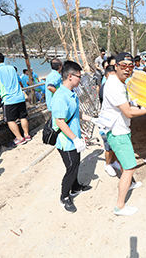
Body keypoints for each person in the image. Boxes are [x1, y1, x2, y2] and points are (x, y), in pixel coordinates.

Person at [99, 52, 146, 216]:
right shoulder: (114, 85)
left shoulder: (118, 82)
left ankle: (129, 183)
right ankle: (120, 206)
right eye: (124, 66)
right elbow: (128, 112)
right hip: (117, 132)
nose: (127, 70)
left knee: (123, 160)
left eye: (131, 66)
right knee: (130, 167)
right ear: (116, 66)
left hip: (119, 129)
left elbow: (126, 104)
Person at [51, 60, 94, 213]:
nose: (80, 79)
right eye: (78, 76)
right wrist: (75, 139)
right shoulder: (60, 97)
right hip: (66, 141)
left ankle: (75, 187)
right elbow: (60, 122)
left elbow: (76, 113)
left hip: (73, 139)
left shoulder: (71, 93)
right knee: (71, 168)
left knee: (75, 165)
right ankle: (64, 197)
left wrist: (92, 119)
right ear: (70, 76)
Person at [0, 51, 31, 146]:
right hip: (20, 97)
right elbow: (18, 81)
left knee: (10, 120)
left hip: (9, 99)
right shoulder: (11, 68)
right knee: (23, 117)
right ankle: (26, 135)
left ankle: (19, 138)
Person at [98, 65, 121, 176]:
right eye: (111, 76)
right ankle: (107, 164)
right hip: (106, 122)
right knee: (108, 146)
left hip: (115, 120)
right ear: (106, 76)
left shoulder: (115, 86)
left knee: (115, 145)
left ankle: (114, 161)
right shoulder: (104, 88)